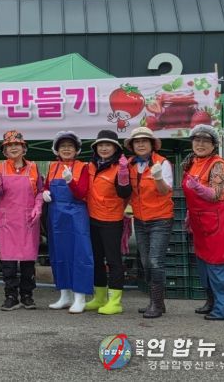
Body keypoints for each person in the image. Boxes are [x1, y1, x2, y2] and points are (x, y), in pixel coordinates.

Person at [182, 124, 224, 321]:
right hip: (200, 218)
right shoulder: (191, 162)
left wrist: (198, 187)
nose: (200, 144)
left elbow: (216, 194)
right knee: (203, 262)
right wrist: (190, 213)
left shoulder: (219, 165)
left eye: (206, 141)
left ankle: (223, 309)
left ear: (214, 145)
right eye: (197, 140)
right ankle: (211, 301)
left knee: (218, 261)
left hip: (218, 217)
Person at [124, 127, 174, 319]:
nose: (141, 144)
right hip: (140, 219)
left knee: (155, 261)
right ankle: (157, 302)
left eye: (144, 141)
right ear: (132, 146)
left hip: (161, 218)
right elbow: (126, 191)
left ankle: (156, 303)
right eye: (137, 142)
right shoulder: (129, 164)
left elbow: (164, 191)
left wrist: (158, 177)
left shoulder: (163, 162)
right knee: (145, 262)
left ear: (152, 144)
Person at [0, 130, 42, 311]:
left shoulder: (34, 167)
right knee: (8, 260)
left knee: (28, 260)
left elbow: (40, 191)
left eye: (17, 145)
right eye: (9, 145)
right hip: (8, 219)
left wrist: (38, 206)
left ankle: (27, 295)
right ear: (4, 151)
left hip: (28, 219)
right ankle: (11, 295)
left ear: (23, 148)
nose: (13, 148)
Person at [44, 131, 93, 314]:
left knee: (80, 254)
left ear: (76, 150)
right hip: (56, 216)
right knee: (59, 253)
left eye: (70, 146)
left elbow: (82, 193)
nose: (66, 149)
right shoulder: (52, 166)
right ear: (57, 150)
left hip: (76, 214)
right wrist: (45, 192)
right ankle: (65, 295)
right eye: (63, 146)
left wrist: (71, 181)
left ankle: (80, 297)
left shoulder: (83, 167)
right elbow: (47, 185)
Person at [84, 130, 132, 315]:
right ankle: (99, 297)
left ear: (115, 148)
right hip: (92, 218)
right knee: (96, 259)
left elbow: (124, 193)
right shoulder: (90, 166)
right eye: (101, 145)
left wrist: (123, 174)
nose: (104, 148)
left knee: (113, 260)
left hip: (111, 219)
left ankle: (115, 301)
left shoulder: (120, 166)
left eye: (108, 145)